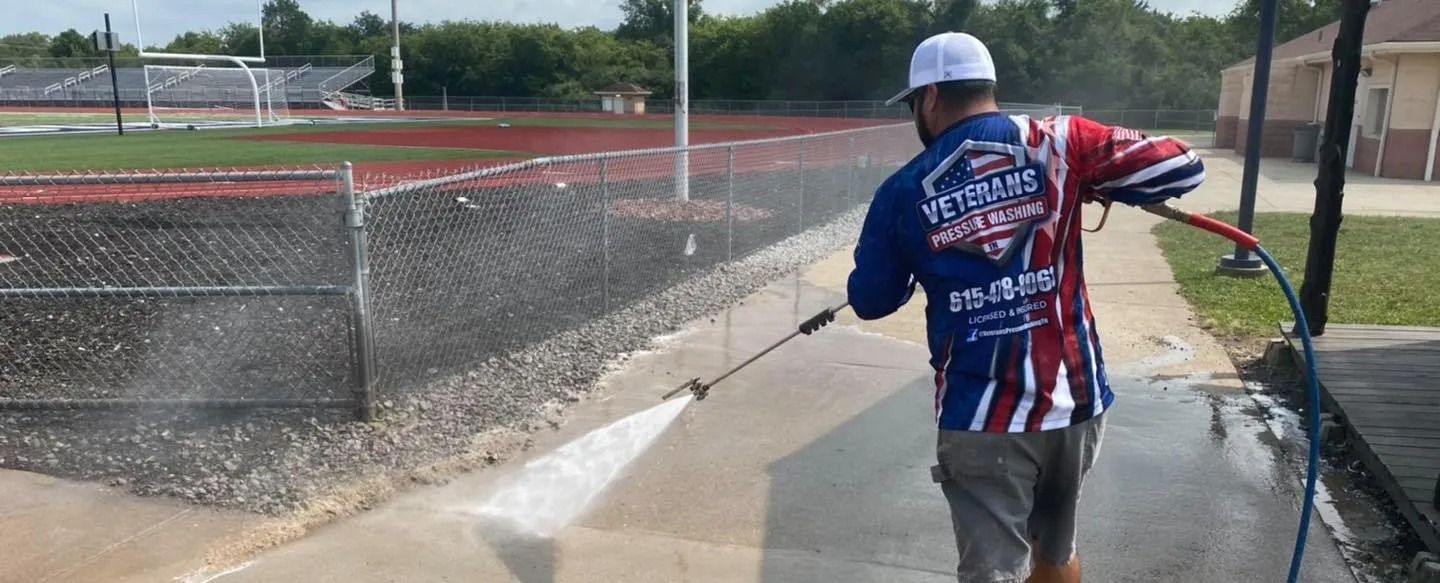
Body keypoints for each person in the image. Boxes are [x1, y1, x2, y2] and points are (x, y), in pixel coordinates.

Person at [844, 32, 1206, 583]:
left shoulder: (902, 189)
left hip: (981, 418)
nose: (917, 114)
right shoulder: (1063, 141)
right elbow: (1184, 168)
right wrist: (1102, 182)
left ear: (933, 97)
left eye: (915, 103)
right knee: (1055, 553)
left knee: (993, 573)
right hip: (1075, 404)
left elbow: (872, 300)